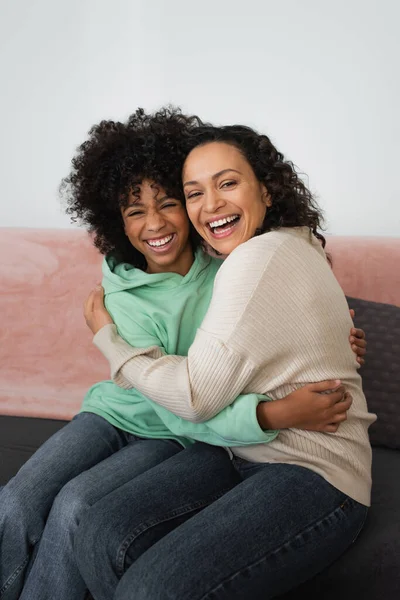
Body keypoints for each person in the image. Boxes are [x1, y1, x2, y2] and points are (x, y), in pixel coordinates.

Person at [0, 113, 361, 600]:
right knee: (19, 498)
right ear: (116, 222)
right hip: (122, 410)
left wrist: (340, 337)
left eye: (170, 202)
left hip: (177, 427)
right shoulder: (121, 292)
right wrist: (271, 412)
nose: (154, 223)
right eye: (134, 212)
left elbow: (201, 393)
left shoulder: (230, 263)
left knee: (77, 505)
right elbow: (189, 389)